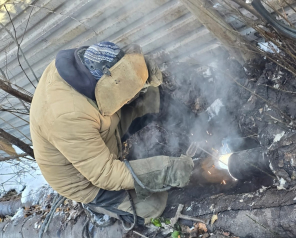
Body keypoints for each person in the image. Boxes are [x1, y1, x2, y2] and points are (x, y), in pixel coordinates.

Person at [30, 42, 194, 226]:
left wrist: (141, 70)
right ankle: (98, 207)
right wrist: (168, 170)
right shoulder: (67, 116)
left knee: (149, 96)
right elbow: (105, 174)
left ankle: (193, 122)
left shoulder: (90, 62)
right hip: (83, 178)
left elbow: (123, 66)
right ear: (104, 85)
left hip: (98, 130)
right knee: (153, 205)